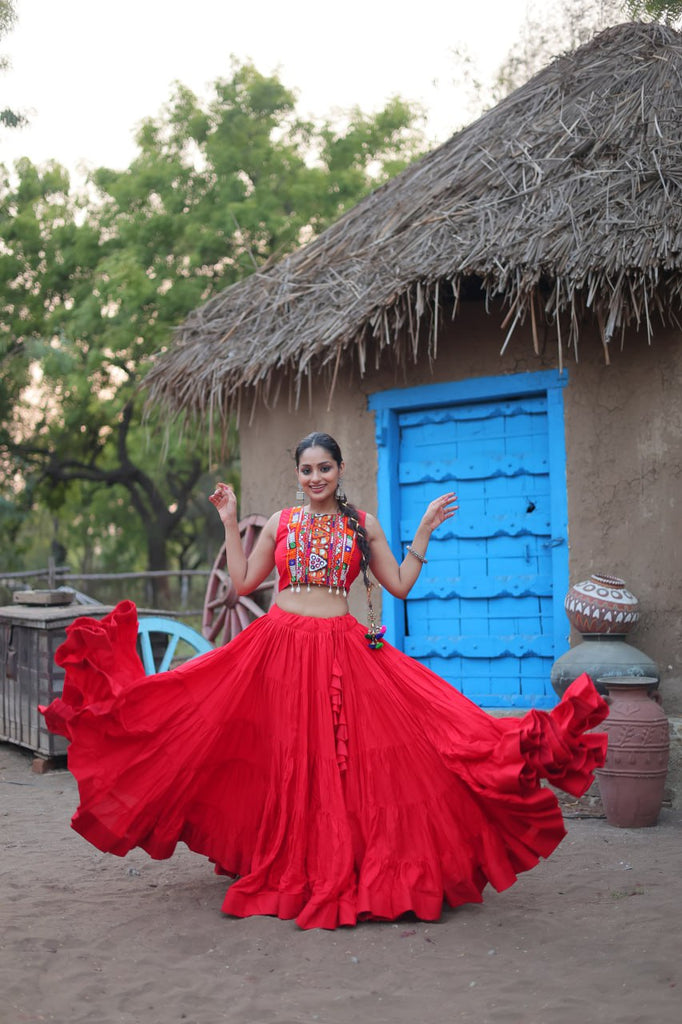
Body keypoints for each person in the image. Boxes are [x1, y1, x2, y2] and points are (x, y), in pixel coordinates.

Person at [41, 431, 608, 931]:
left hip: (343, 651)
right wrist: (227, 518)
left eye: (325, 468)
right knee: (282, 754)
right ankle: (287, 858)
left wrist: (427, 532)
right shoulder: (284, 524)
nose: (316, 477)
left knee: (374, 754)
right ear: (298, 476)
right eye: (307, 469)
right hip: (280, 648)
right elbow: (241, 584)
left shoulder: (362, 525)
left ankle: (355, 860)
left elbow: (401, 584)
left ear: (340, 471)